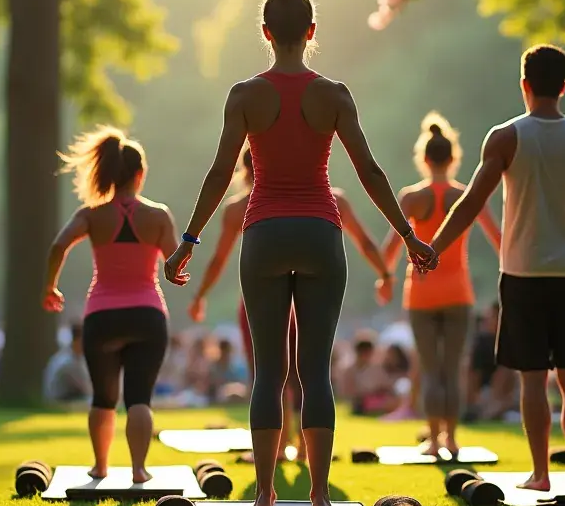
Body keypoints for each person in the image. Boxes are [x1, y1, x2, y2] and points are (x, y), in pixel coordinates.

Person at [164, 0, 436, 506]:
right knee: (314, 372)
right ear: (311, 31)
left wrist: (188, 239)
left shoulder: (245, 95)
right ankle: (318, 500)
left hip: (264, 233)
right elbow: (370, 171)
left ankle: (264, 498)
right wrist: (408, 236)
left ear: (266, 32)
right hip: (319, 234)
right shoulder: (333, 95)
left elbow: (219, 173)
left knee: (268, 372)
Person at [429, 45, 565, 495]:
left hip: (522, 273)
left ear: (524, 84)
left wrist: (434, 248)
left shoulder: (505, 138)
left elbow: (471, 202)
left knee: (532, 380)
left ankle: (541, 474)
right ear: (564, 87)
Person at [186, 142, 394, 458]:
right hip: (308, 296)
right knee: (310, 372)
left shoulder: (238, 207)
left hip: (261, 300)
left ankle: (280, 446)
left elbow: (218, 259)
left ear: (247, 169)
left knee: (267, 374)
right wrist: (385, 274)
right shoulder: (331, 200)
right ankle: (307, 447)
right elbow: (364, 241)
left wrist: (200, 295)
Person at [43, 129, 176, 481]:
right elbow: (173, 261)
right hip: (147, 316)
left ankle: (100, 466)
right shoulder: (159, 215)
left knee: (103, 398)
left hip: (102, 318)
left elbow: (58, 246)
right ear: (140, 174)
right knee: (139, 398)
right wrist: (179, 269)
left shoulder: (92, 214)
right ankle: (138, 470)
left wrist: (50, 287)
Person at [382, 113, 501, 454]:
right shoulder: (466, 195)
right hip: (458, 293)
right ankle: (451, 438)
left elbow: (390, 249)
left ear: (423, 158)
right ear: (453, 158)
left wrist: (385, 278)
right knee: (452, 367)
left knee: (430, 369)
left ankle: (433, 440)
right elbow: (498, 238)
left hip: (421, 293)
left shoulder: (411, 197)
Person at [42, 323, 92, 404]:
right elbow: (88, 390)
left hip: (63, 399)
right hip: (60, 403)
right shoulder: (69, 363)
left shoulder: (66, 356)